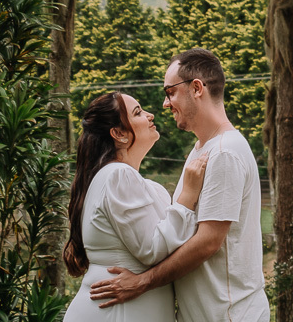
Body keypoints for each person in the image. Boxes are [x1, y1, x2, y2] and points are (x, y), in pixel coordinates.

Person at [90, 48, 270, 322]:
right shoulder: (201, 149)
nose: (165, 104)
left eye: (170, 92)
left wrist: (142, 283)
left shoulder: (225, 152)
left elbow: (208, 242)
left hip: (229, 315)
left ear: (197, 88)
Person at [63, 92, 208, 322]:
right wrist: (188, 195)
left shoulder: (139, 184)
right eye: (138, 112)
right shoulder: (118, 175)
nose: (150, 115)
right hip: (114, 313)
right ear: (119, 134)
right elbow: (152, 249)